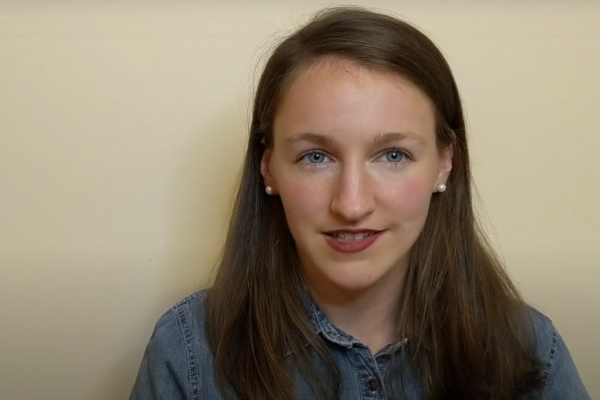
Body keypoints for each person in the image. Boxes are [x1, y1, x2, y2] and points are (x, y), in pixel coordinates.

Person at [128, 6, 590, 400]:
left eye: (393, 155)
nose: (350, 204)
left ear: (445, 163)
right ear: (269, 169)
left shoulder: (532, 352)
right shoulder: (188, 353)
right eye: (315, 156)